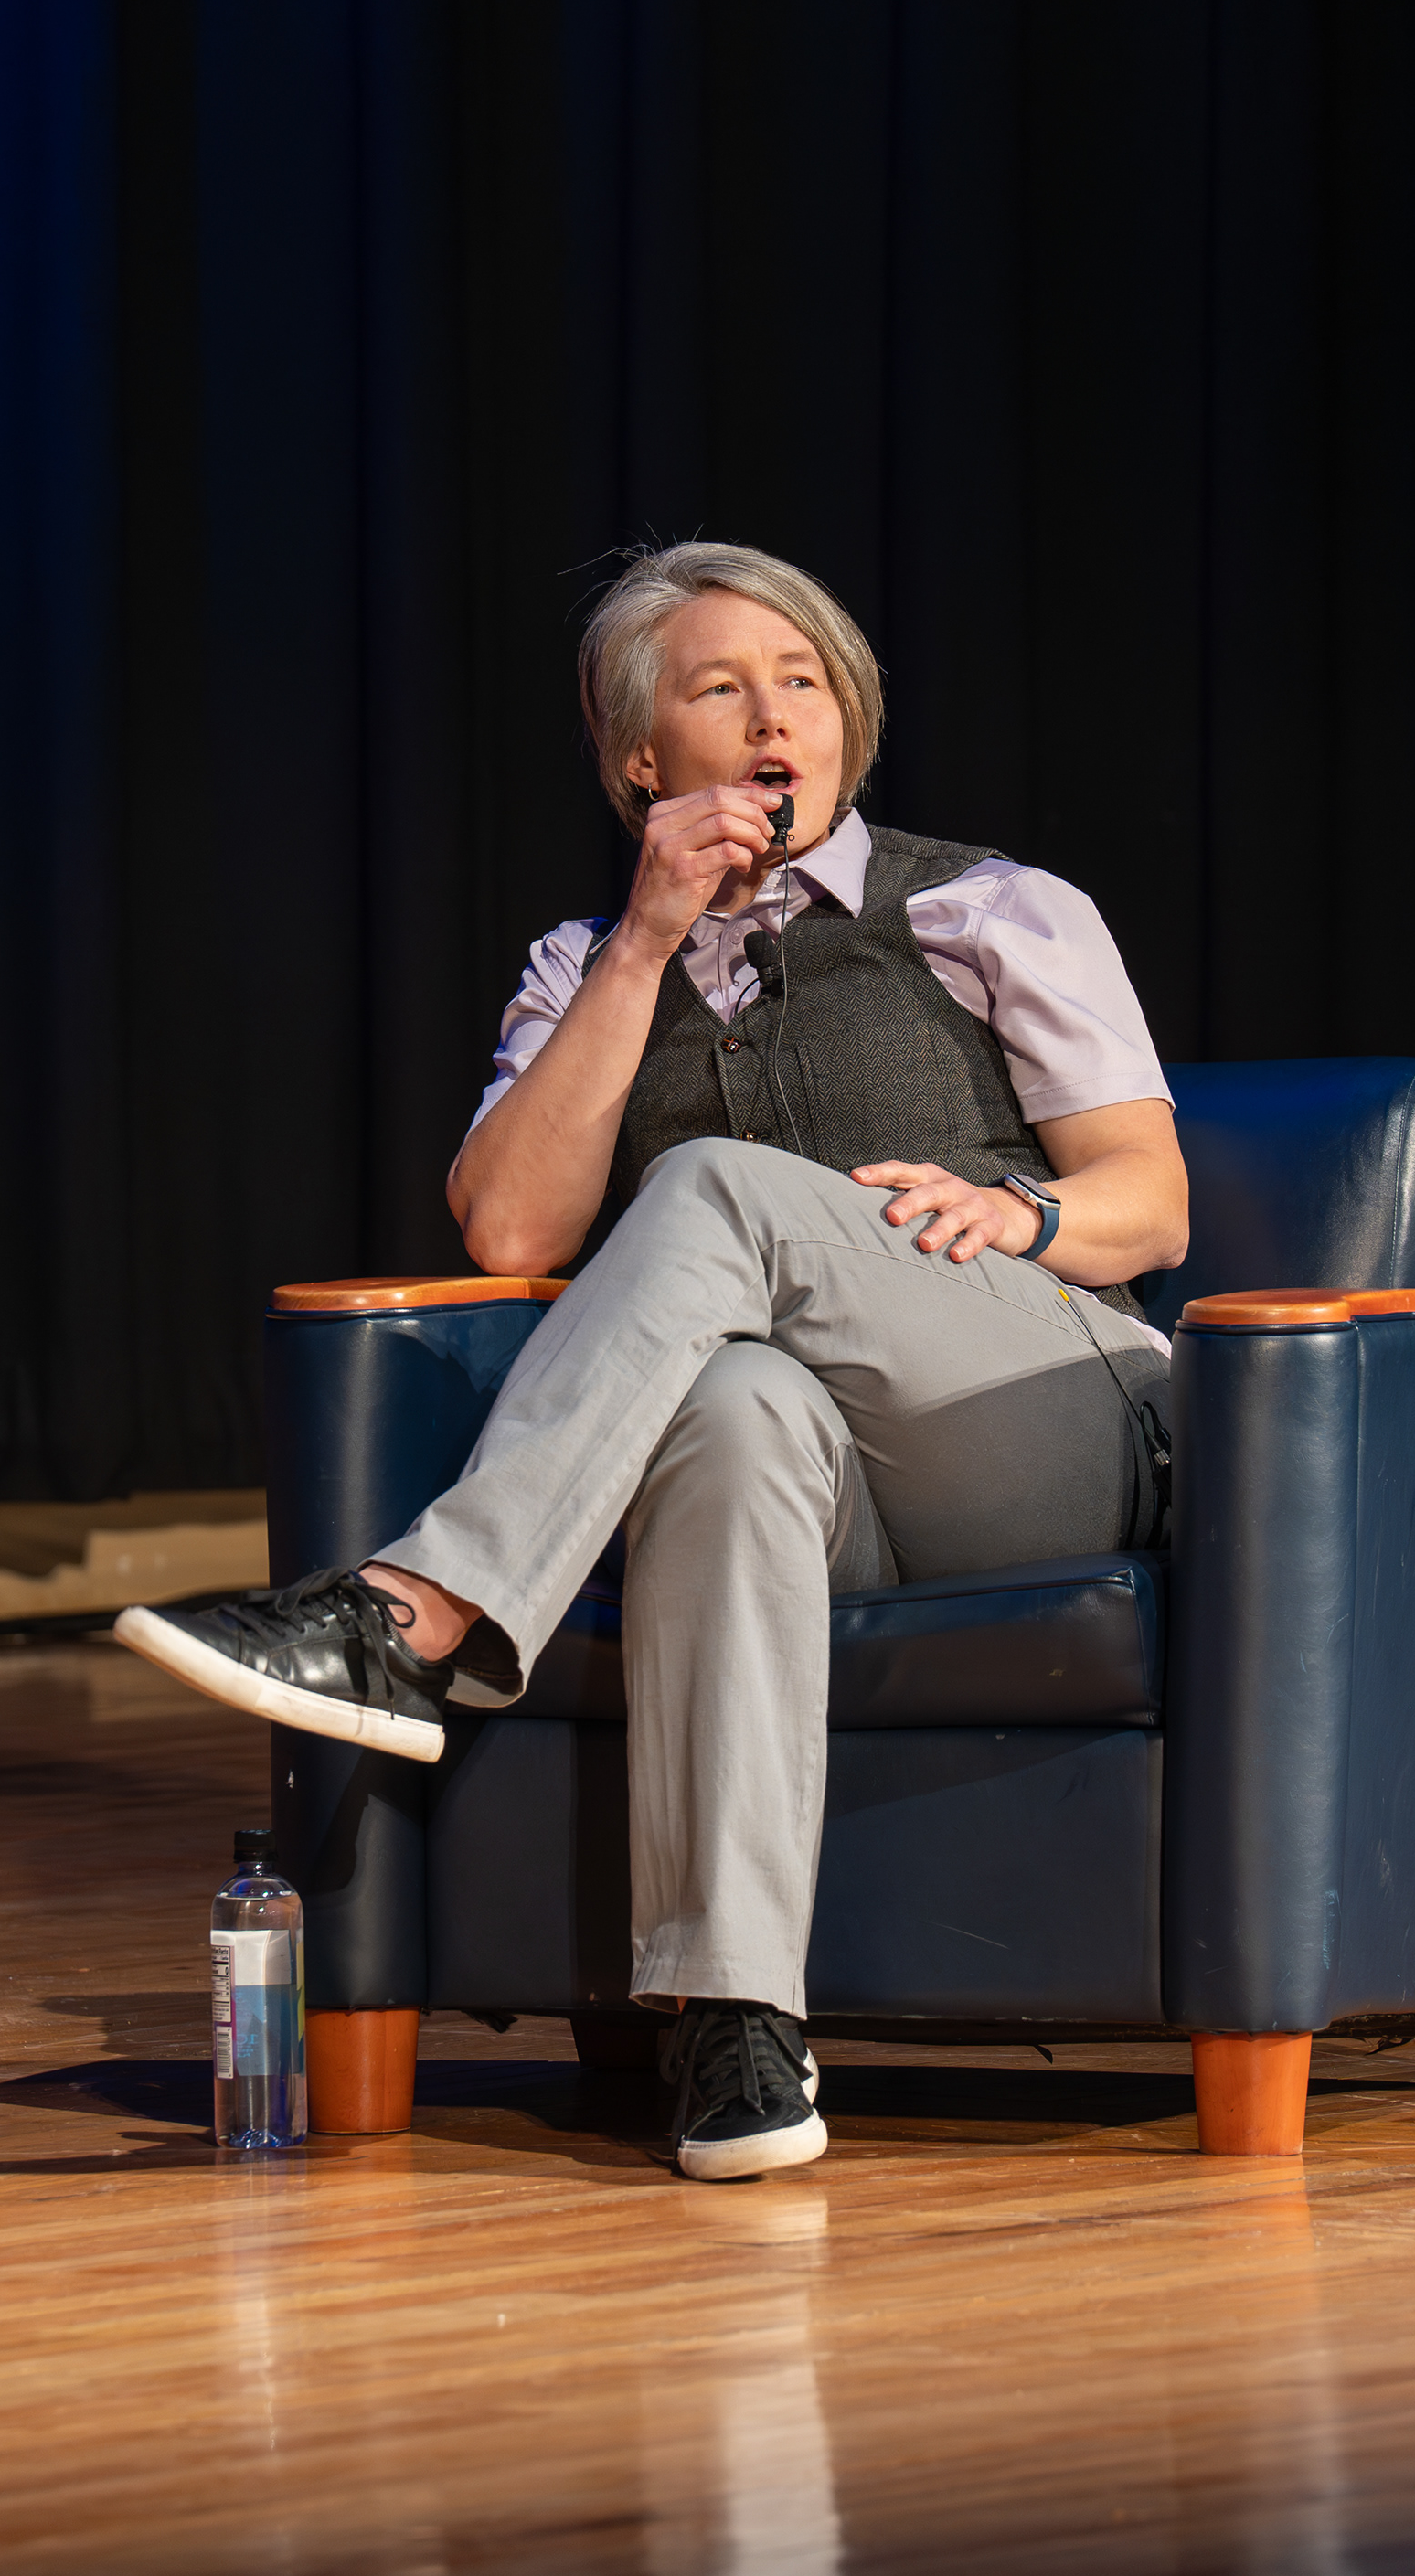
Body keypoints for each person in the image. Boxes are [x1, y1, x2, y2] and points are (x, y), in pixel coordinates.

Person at [118, 543, 1188, 2181]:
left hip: (1038, 1416)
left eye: (803, 682)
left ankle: (412, 1617)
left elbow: (1151, 1202)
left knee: (706, 1188)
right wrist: (644, 941)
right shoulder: (581, 965)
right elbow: (508, 1227)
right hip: (833, 1489)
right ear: (641, 759)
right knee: (736, 1416)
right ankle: (737, 2024)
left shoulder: (990, 907)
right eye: (721, 688)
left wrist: (1019, 1212)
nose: (774, 717)